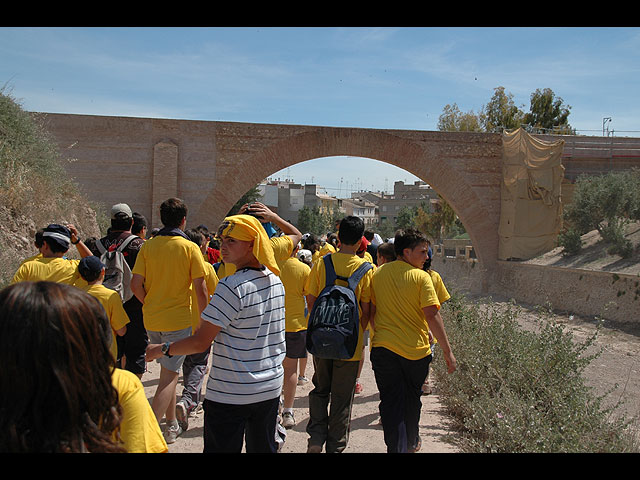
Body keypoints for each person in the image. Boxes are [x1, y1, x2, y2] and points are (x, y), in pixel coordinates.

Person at [146, 214, 286, 453]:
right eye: (222, 239)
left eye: (232, 240)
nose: (222, 245)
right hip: (269, 387)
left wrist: (161, 349)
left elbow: (201, 342)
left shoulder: (232, 286)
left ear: (252, 244)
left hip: (231, 392)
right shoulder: (274, 280)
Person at [370, 228, 456, 453]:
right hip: (415, 353)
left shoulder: (377, 273)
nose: (427, 257)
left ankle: (396, 447)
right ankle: (410, 442)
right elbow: (432, 315)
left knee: (390, 403)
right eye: (422, 252)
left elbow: (370, 309)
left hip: (384, 349)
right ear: (406, 252)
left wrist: (376, 333)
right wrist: (447, 351)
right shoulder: (421, 278)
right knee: (411, 400)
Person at [131, 197, 209, 444]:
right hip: (178, 321)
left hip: (152, 319)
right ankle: (150, 433)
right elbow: (201, 288)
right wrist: (205, 321)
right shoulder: (190, 248)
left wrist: (149, 303)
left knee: (168, 370)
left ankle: (172, 425)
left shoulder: (148, 246)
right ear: (183, 221)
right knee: (169, 377)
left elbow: (135, 285)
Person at [304, 216, 374, 453]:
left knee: (320, 388)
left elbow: (311, 300)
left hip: (321, 339)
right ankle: (336, 446)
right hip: (350, 346)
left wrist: (324, 326)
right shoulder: (367, 270)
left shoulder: (323, 263)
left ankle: (315, 438)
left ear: (339, 238)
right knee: (342, 398)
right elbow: (366, 311)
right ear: (359, 242)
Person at [90, 203, 148, 379]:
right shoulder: (140, 246)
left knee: (110, 350)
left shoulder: (96, 246)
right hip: (134, 306)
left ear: (111, 222)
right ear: (131, 222)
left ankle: (111, 387)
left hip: (104, 306)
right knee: (136, 352)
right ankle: (131, 390)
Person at [175, 228, 220, 432]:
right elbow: (214, 293)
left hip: (179, 322)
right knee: (199, 364)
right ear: (201, 246)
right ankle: (188, 401)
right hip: (198, 323)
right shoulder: (206, 267)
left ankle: (190, 396)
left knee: (186, 360)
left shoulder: (178, 265)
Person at [279, 241, 312, 429]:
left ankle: (275, 405)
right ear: (296, 250)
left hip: (272, 326)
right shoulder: (303, 269)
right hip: (296, 325)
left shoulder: (270, 266)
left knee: (272, 369)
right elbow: (309, 298)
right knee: (291, 369)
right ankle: (288, 411)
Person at [77, 255, 130, 362]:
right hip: (106, 353)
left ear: (82, 277)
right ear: (103, 271)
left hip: (82, 353)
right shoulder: (111, 296)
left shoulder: (76, 295)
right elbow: (121, 330)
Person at [11, 223, 92, 285]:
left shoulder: (28, 267)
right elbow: (92, 262)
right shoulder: (74, 268)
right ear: (66, 250)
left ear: (45, 245)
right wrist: (76, 241)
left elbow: (12, 297)